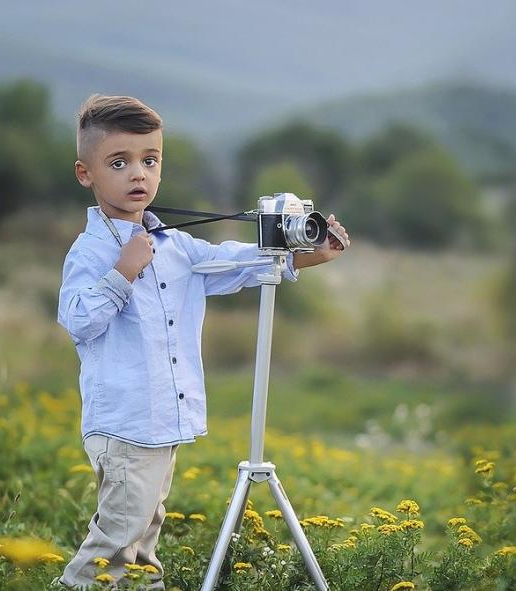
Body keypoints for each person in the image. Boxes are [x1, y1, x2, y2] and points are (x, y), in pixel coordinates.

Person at [56, 94, 350, 588]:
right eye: (119, 162)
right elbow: (78, 321)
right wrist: (122, 273)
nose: (138, 175)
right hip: (126, 422)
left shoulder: (176, 245)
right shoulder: (92, 250)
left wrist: (306, 256)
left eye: (150, 161)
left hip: (162, 421)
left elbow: (232, 262)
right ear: (86, 174)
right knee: (117, 537)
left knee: (143, 532)